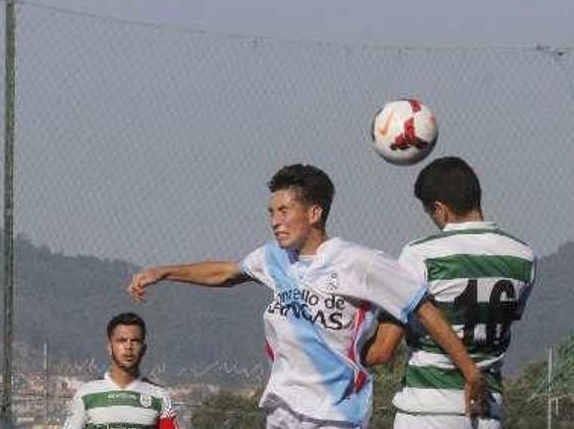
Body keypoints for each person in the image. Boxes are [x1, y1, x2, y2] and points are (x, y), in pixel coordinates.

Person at [126, 163, 484, 429]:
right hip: (282, 412)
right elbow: (227, 272)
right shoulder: (273, 258)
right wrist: (165, 271)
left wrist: (470, 372)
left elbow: (421, 306)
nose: (275, 221)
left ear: (314, 213)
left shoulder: (358, 262)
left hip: (335, 415)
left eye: (284, 211)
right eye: (271, 212)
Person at [364, 156, 536, 429]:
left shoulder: (421, 254)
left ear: (440, 209)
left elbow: (382, 351)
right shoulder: (523, 257)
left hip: (427, 411)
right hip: (486, 409)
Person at [63, 312, 178, 429]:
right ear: (109, 347)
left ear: (143, 348)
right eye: (122, 340)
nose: (128, 347)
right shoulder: (86, 394)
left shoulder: (160, 397)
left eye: (135, 341)